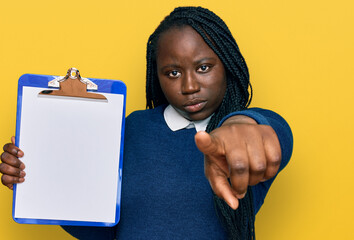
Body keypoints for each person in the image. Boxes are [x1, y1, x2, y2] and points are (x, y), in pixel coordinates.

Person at [0, 6, 293, 240]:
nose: (189, 86)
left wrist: (240, 125)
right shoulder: (131, 129)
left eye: (204, 67)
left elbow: (275, 133)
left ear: (228, 66)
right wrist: (38, 183)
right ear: (157, 76)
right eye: (173, 73)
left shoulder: (245, 135)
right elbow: (105, 228)